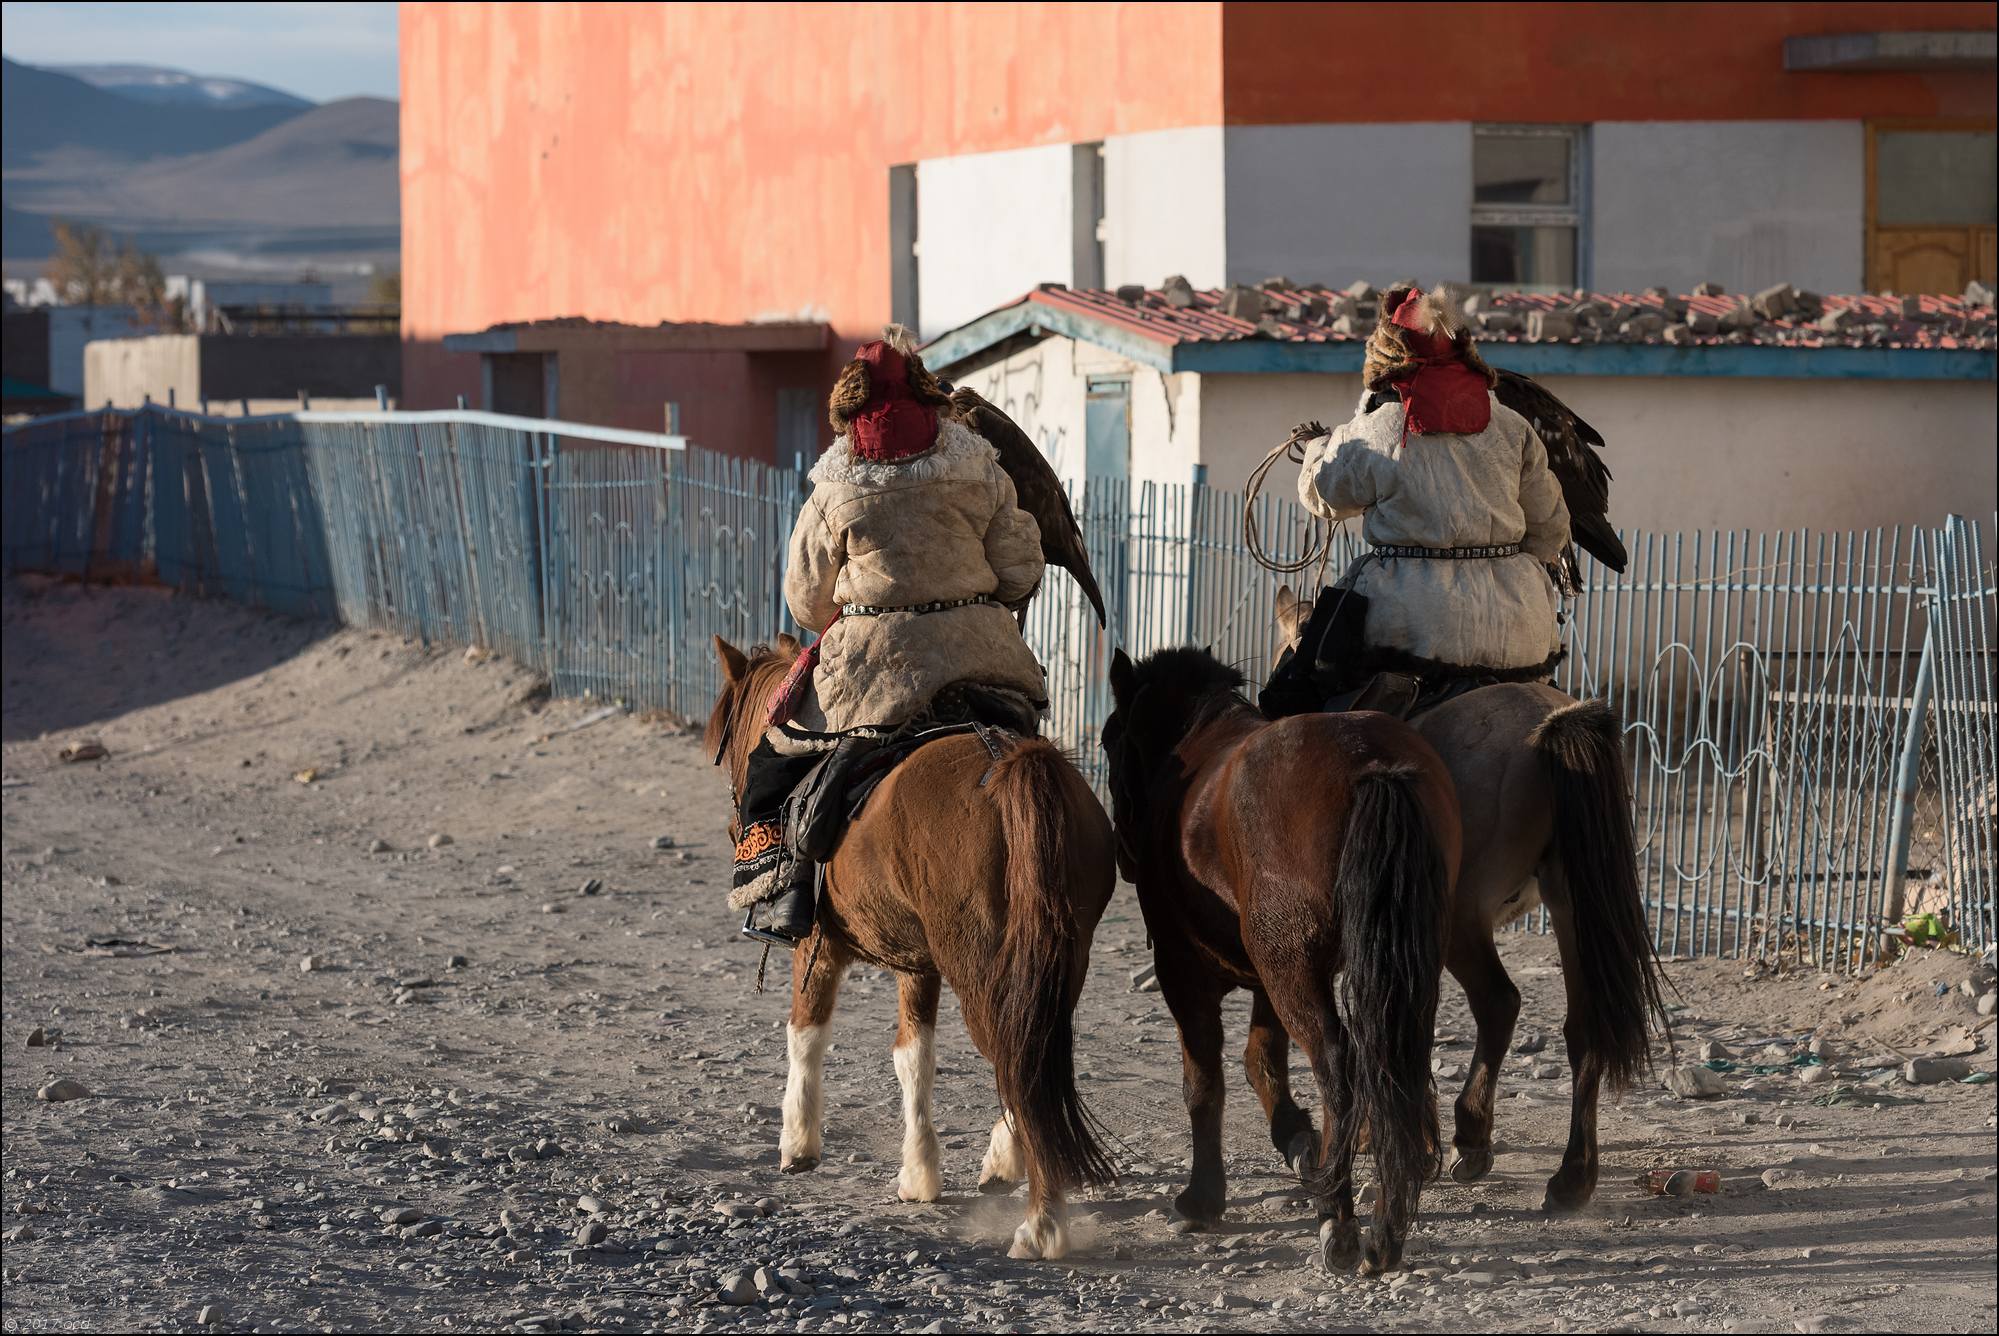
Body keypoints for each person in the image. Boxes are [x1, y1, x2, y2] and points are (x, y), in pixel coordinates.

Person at [732, 327, 1048, 945]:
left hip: (875, 675)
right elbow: (1021, 568)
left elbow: (805, 601)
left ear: (851, 415)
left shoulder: (836, 485)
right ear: (929, 401)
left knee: (773, 762)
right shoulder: (980, 466)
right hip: (987, 657)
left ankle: (784, 888)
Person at [1293, 284, 1571, 708]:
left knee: (1299, 699)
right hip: (1520, 631)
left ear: (1389, 354)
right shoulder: (1513, 427)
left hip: (1410, 636)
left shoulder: (1378, 428)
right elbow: (1550, 529)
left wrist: (1319, 447)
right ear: (1463, 350)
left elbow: (1324, 496)